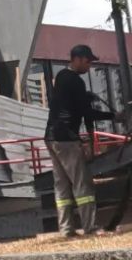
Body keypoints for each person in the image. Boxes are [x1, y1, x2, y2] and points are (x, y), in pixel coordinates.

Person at [44, 44, 114, 237]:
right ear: (77, 58)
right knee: (82, 183)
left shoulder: (61, 77)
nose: (89, 65)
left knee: (62, 185)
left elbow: (73, 106)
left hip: (51, 137)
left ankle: (66, 229)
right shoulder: (76, 81)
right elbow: (87, 113)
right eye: (87, 61)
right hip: (66, 138)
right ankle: (90, 228)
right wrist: (114, 116)